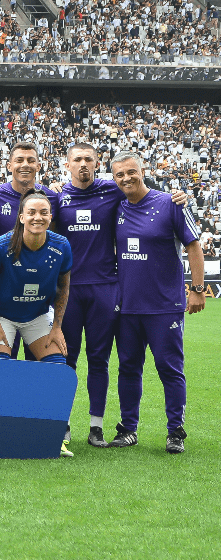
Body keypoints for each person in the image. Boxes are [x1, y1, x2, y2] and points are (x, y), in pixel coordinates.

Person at [108, 152, 204, 454]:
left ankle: (175, 431)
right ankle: (128, 429)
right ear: (114, 178)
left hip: (165, 307)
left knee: (169, 369)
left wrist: (197, 289)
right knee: (128, 368)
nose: (126, 178)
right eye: (120, 174)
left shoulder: (170, 203)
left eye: (131, 172)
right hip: (127, 308)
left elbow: (194, 245)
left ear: (142, 170)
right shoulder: (117, 207)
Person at [0, 189, 75, 456]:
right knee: (1, 370)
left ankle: (54, 435)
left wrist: (56, 327)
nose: (38, 217)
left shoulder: (61, 246)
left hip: (37, 316)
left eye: (43, 212)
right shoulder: (1, 246)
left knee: (58, 371)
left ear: (51, 216)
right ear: (21, 216)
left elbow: (64, 288)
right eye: (31, 212)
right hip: (4, 317)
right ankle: (0, 431)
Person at [53, 142, 123, 446]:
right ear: (67, 164)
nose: (83, 164)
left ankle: (96, 426)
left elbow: (144, 192)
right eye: (77, 159)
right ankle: (63, 423)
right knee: (66, 358)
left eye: (89, 160)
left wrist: (178, 197)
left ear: (97, 164)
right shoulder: (56, 197)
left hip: (105, 287)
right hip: (69, 290)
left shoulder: (112, 191)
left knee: (99, 359)